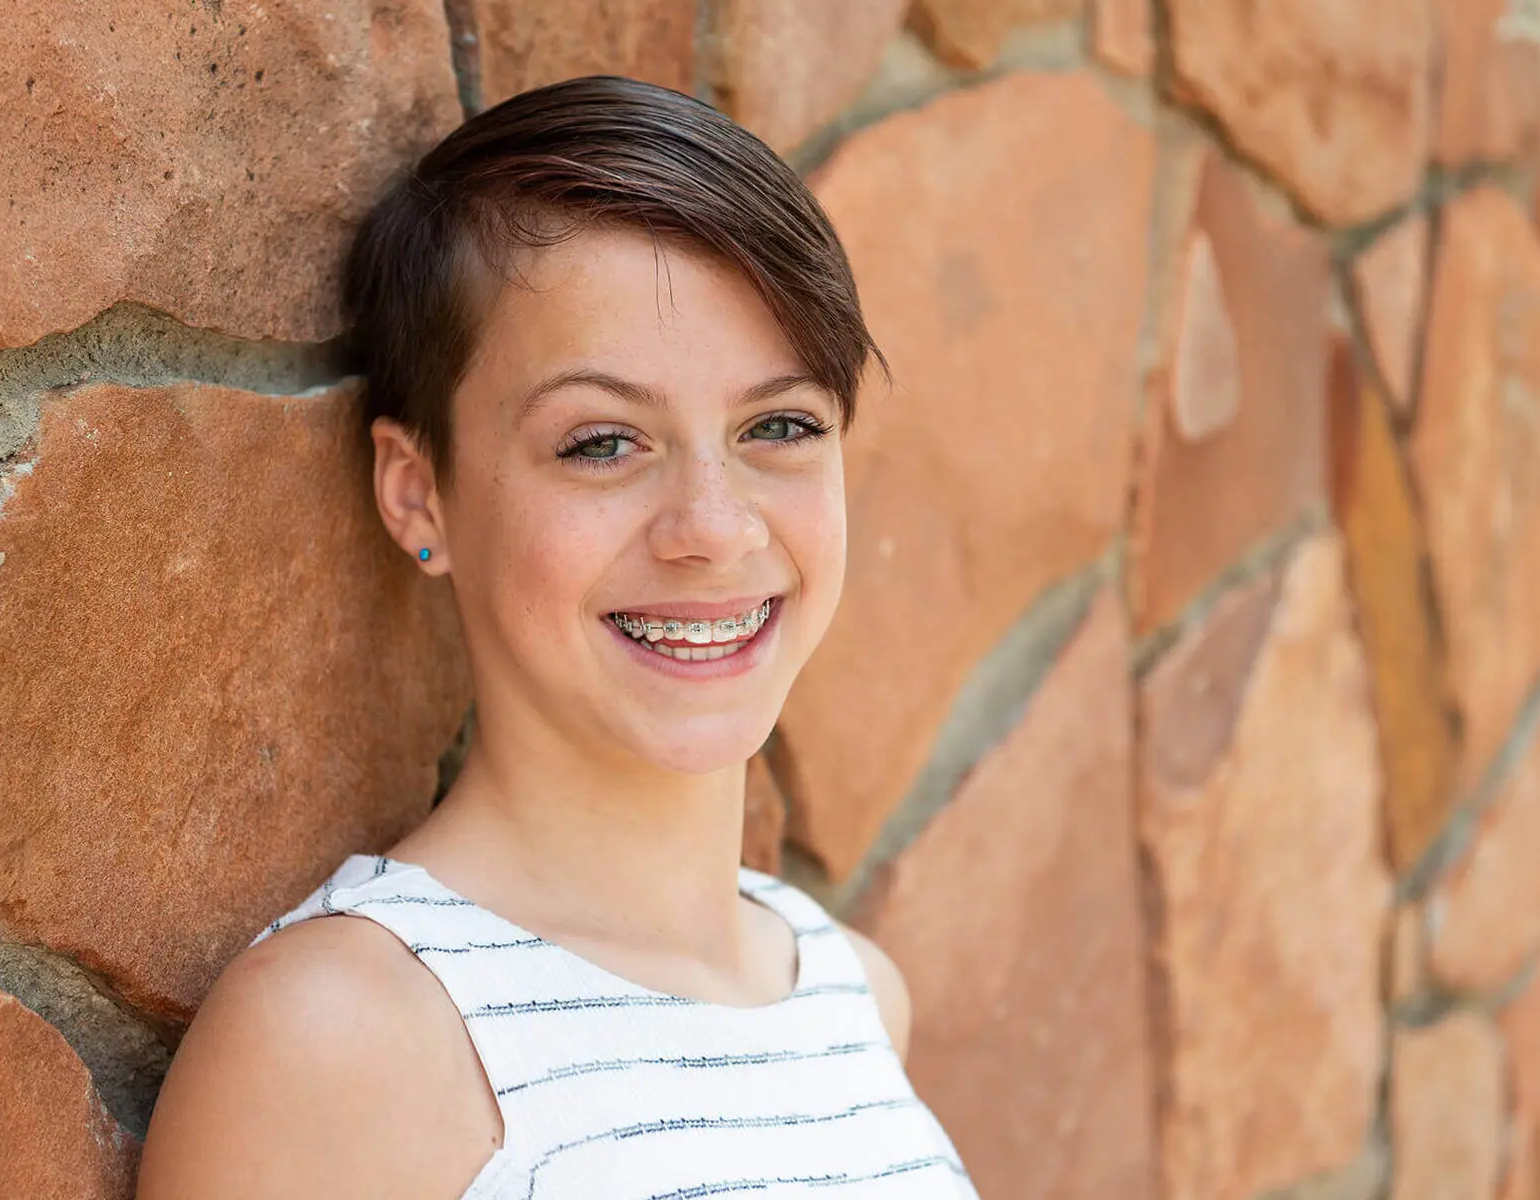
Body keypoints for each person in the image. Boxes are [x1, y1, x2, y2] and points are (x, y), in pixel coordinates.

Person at [136, 75, 978, 1199]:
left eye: (779, 425)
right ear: (417, 493)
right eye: (600, 444)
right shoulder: (346, 1040)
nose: (714, 532)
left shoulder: (852, 993)